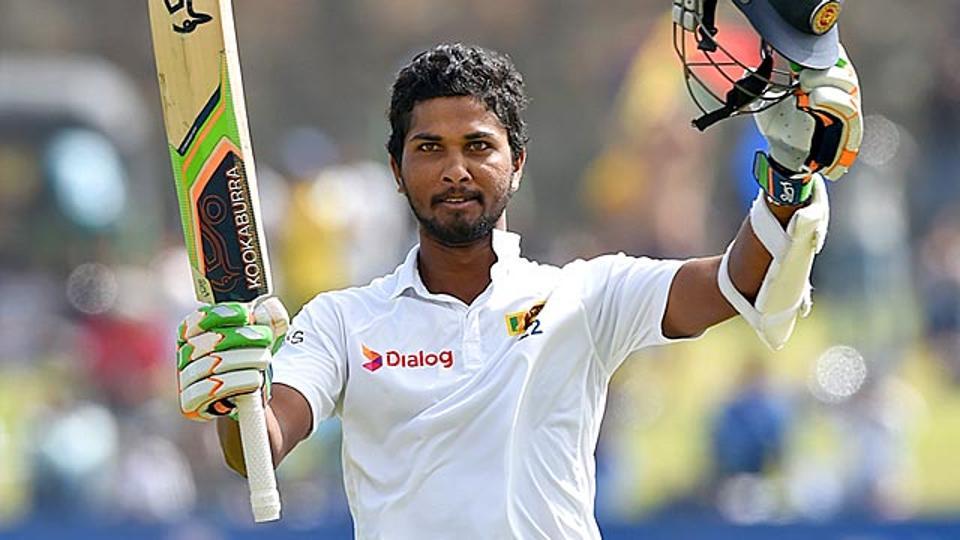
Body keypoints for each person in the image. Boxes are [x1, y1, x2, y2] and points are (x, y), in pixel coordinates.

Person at [175, 2, 862, 537]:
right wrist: (237, 390)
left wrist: (788, 179)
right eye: (429, 148)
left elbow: (737, 284)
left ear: (518, 163)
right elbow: (258, 445)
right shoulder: (343, 321)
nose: (455, 169)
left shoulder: (583, 297)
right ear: (396, 169)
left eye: (478, 146)